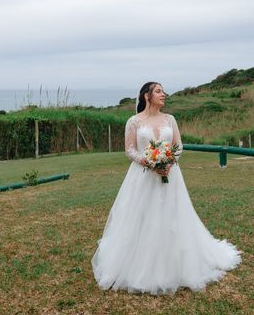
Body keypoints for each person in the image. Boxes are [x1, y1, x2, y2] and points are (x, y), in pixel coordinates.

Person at [91, 82, 241, 294]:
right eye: (159, 91)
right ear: (146, 96)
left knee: (173, 216)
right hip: (142, 178)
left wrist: (169, 162)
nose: (164, 95)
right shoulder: (133, 121)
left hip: (171, 174)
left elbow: (178, 146)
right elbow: (130, 150)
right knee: (142, 217)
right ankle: (140, 265)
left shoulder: (170, 119)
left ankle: (176, 264)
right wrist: (149, 162)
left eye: (163, 91)